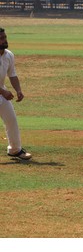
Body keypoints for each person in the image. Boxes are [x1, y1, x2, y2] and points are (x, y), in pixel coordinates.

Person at [0, 27, 32, 160]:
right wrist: (3, 92)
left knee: (11, 120)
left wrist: (18, 90)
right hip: (2, 92)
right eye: (1, 38)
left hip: (2, 94)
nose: (4, 40)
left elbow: (12, 75)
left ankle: (15, 150)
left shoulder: (8, 55)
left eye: (5, 37)